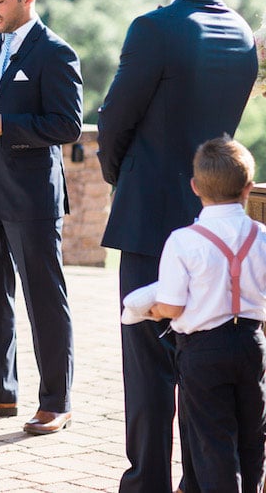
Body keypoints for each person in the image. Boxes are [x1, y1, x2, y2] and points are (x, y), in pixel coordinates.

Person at [98, 0, 257, 493]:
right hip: (217, 223)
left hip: (150, 222)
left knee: (147, 367)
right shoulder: (242, 33)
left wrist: (123, 179)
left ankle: (146, 483)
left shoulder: (154, 27)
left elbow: (113, 121)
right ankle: (201, 481)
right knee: (201, 361)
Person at [0, 0, 82, 434]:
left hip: (32, 198)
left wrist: (8, 125)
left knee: (44, 299)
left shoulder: (56, 53)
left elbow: (68, 125)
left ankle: (57, 400)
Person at [146, 136, 266, 493]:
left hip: (202, 351)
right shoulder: (261, 236)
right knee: (252, 436)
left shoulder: (184, 241)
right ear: (248, 188)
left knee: (212, 442)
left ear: (195, 186)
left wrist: (152, 309)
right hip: (250, 344)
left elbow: (173, 306)